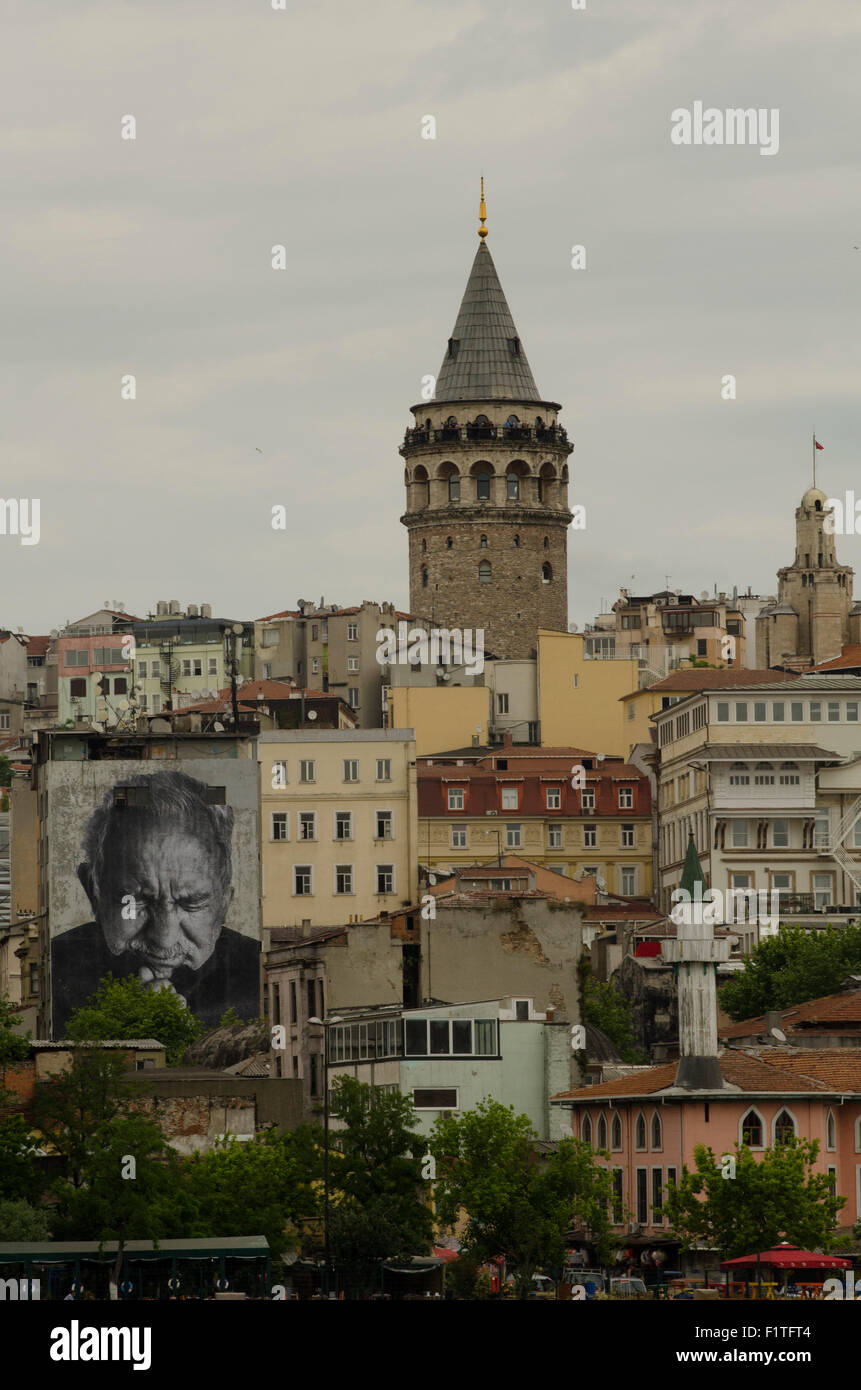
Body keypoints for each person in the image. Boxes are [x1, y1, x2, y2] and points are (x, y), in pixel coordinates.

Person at [52, 769, 260, 1034]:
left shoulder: (260, 976)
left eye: (191, 903)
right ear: (93, 891)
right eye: (137, 901)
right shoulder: (55, 971)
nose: (164, 938)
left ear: (224, 904)